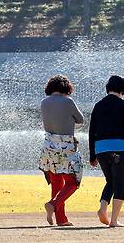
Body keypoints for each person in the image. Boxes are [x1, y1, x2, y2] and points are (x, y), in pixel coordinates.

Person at [89, 75, 124, 227]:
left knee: (110, 181)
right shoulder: (123, 105)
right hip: (119, 149)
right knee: (120, 184)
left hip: (100, 149)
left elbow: (91, 131)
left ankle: (102, 208)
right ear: (122, 90)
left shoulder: (98, 105)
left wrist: (92, 155)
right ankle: (113, 220)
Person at [38, 74, 84, 226]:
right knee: (73, 182)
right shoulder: (68, 101)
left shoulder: (44, 102)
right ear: (66, 88)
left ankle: (61, 219)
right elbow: (80, 119)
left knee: (56, 181)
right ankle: (53, 204)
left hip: (48, 146)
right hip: (66, 147)